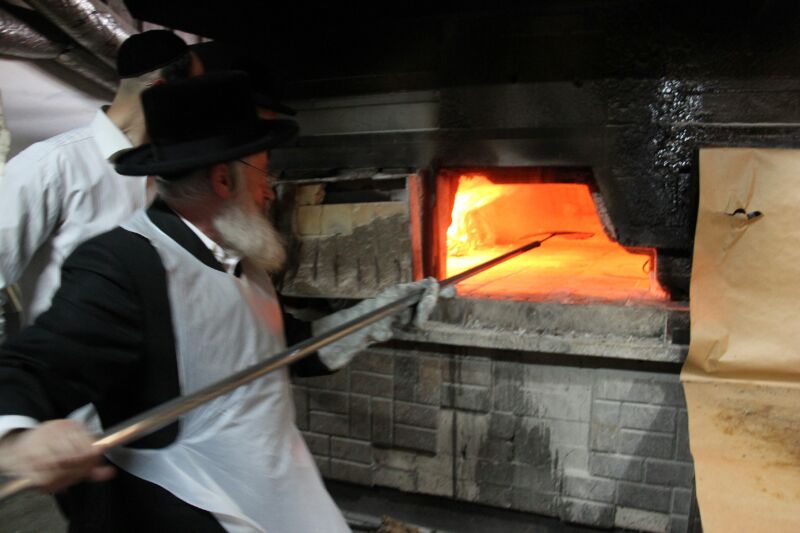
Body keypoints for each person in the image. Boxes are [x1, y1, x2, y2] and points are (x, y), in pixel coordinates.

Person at [0, 71, 439, 531]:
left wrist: (377, 318)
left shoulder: (242, 258)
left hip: (275, 483)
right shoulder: (123, 265)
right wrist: (18, 439)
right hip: (183, 502)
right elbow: (35, 365)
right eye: (262, 170)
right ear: (223, 180)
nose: (270, 189)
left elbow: (280, 349)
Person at [0, 30, 194, 326]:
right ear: (159, 91)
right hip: (68, 367)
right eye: (194, 95)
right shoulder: (53, 164)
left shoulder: (173, 172)